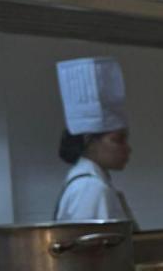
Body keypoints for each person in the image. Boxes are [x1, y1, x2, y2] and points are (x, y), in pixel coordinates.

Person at [53, 57, 138, 226]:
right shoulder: (90, 189)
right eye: (118, 140)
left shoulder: (92, 183)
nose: (128, 149)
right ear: (89, 141)